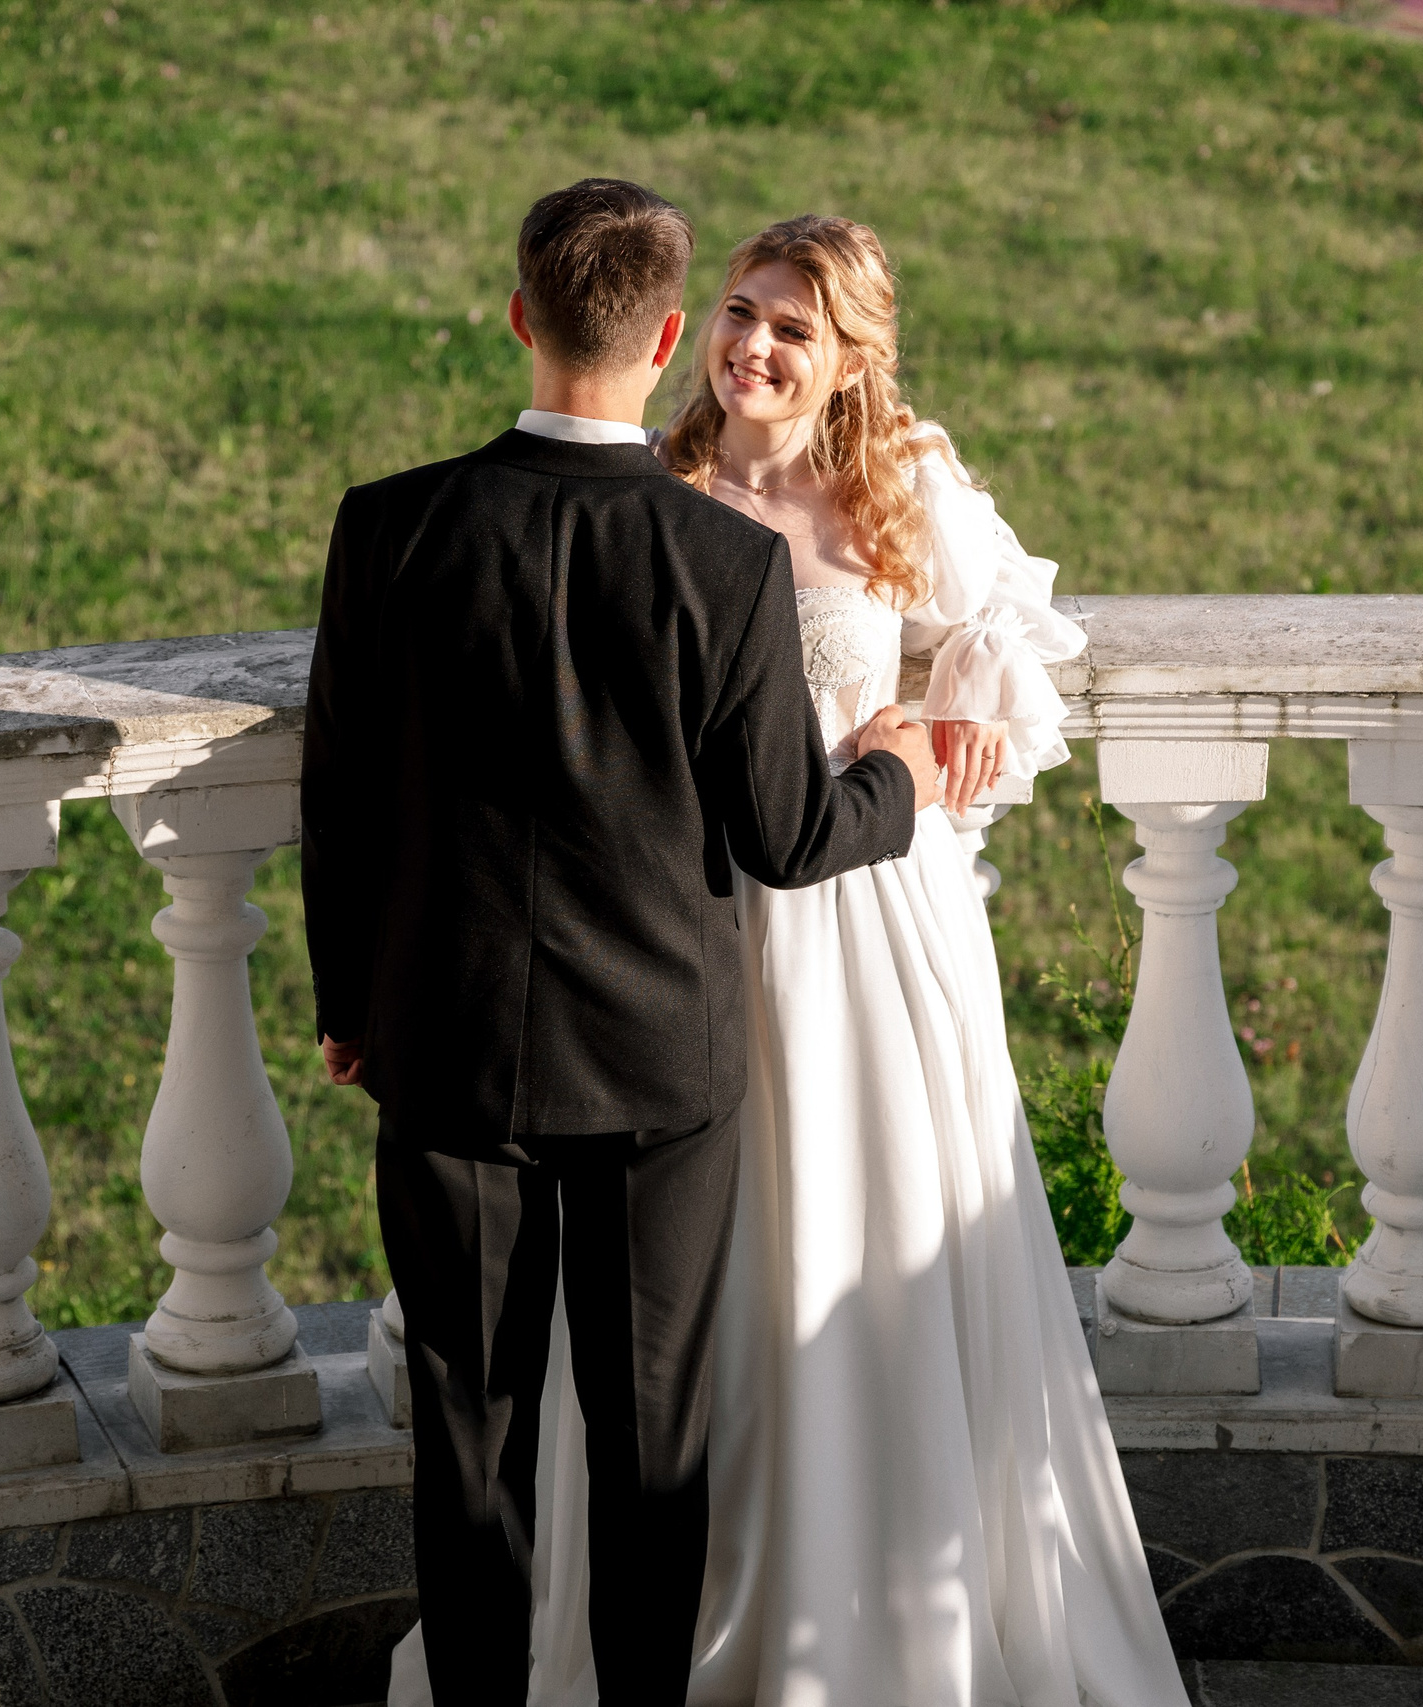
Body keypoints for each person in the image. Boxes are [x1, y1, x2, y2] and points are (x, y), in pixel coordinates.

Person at [395, 214, 1191, 1707]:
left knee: (862, 1235)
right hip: (691, 924)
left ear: (850, 359)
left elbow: (1009, 633)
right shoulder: (659, 486)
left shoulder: (905, 484)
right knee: (685, 1306)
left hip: (868, 924)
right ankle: (679, 1615)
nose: (753, 348)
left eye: (794, 329)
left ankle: (875, 1617)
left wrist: (936, 720)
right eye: (741, 313)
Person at [301, 181, 943, 1707]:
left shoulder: (391, 526)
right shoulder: (723, 564)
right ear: (665, 341)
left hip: (444, 1048)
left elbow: (339, 796)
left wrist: (352, 1006)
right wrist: (900, 777)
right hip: (662, 1069)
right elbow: (789, 836)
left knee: (468, 1432)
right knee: (655, 1439)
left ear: (519, 316)